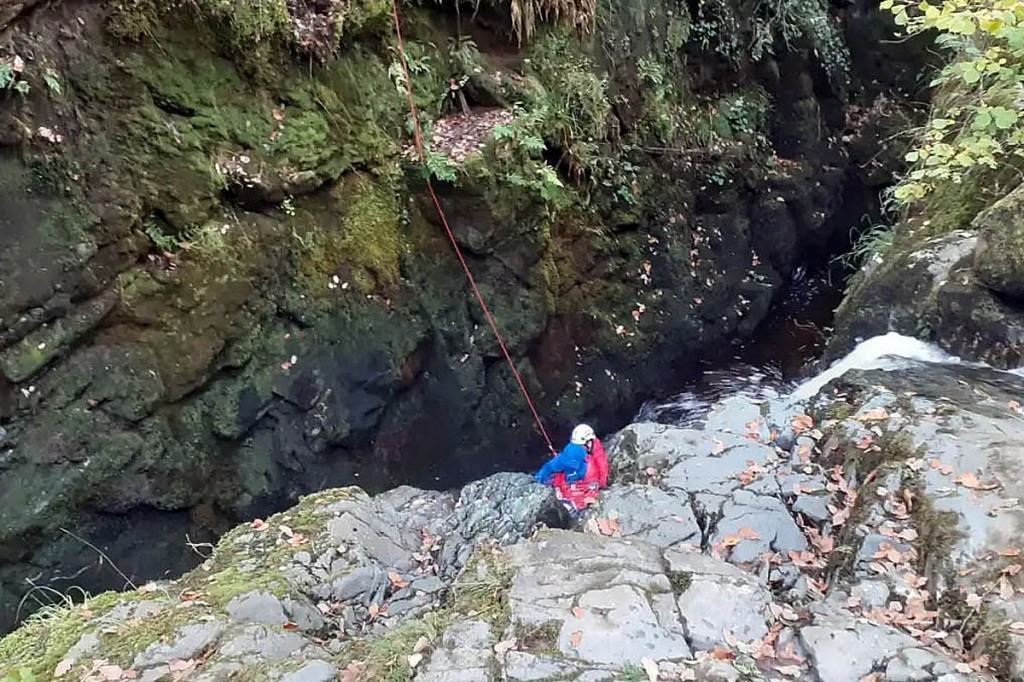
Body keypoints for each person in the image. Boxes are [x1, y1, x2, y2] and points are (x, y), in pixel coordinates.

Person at [535, 424, 609, 512]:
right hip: (583, 483)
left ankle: (574, 504)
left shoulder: (583, 452)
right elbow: (559, 468)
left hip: (584, 485)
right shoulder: (590, 447)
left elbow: (555, 467)